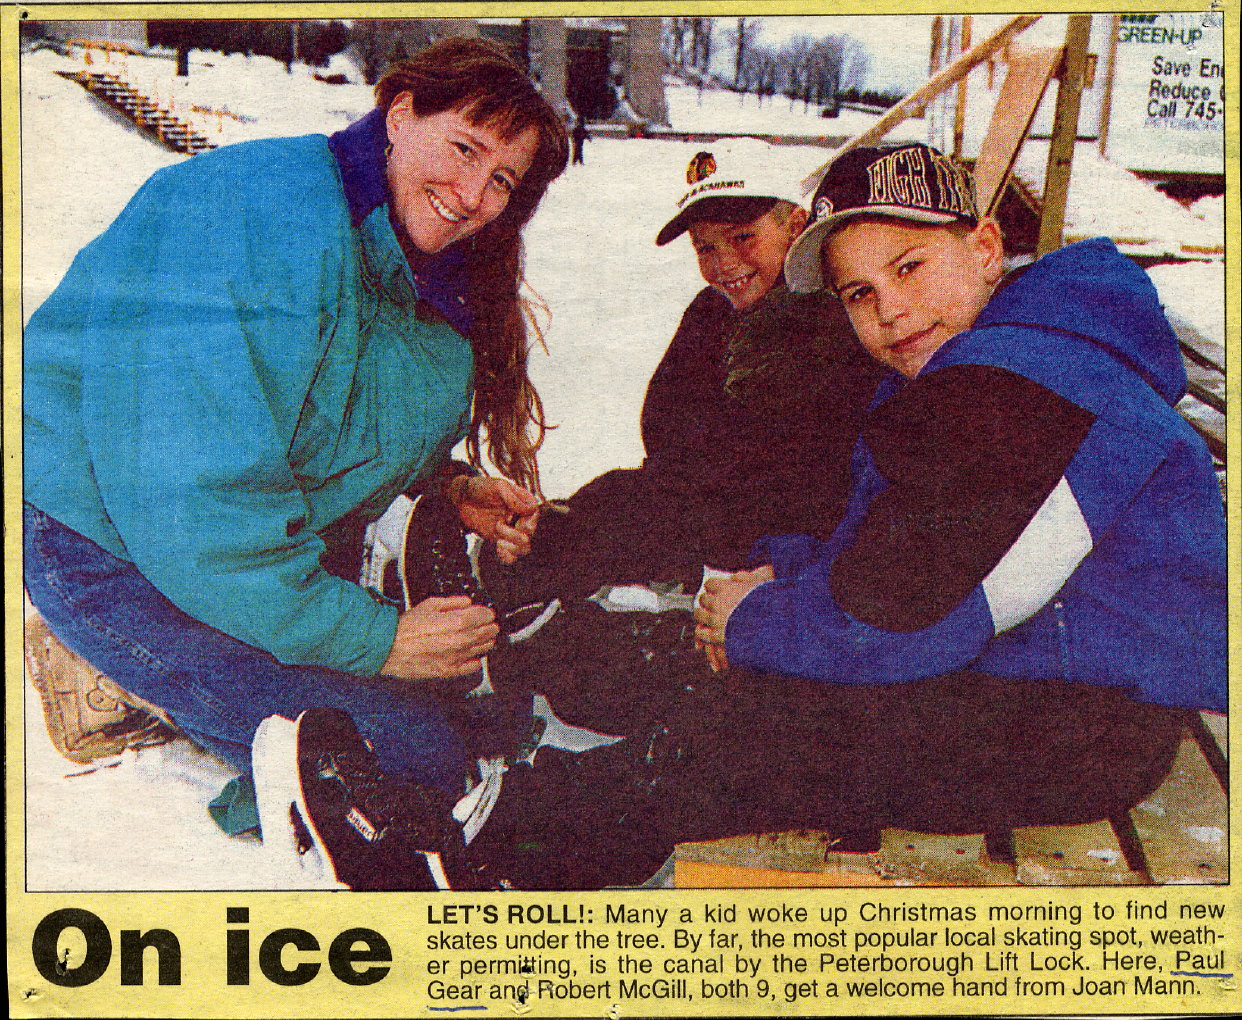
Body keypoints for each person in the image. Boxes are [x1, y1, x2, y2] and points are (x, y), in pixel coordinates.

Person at [22, 38, 572, 888]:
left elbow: (328, 414)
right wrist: (379, 641)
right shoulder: (256, 218)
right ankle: (110, 658)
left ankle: (148, 665)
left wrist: (448, 486)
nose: (472, 197)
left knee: (468, 713)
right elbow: (193, 505)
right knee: (408, 755)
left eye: (502, 180)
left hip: (231, 552)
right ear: (398, 115)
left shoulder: (415, 257)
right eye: (464, 148)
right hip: (110, 544)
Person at [690, 142, 1225, 838]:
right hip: (1053, 674)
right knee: (762, 702)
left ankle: (564, 811)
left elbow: (915, 611)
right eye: (859, 293)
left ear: (984, 248)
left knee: (759, 730)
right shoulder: (995, 358)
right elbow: (919, 551)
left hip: (1094, 725)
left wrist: (754, 620)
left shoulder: (1024, 380)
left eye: (909, 267)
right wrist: (788, 572)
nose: (892, 310)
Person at [480, 139, 883, 735]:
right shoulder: (712, 312)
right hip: (699, 510)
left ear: (796, 223)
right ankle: (506, 601)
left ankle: (558, 648)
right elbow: (667, 435)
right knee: (583, 514)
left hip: (775, 547)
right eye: (705, 247)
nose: (724, 264)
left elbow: (781, 479)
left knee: (607, 545)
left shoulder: (830, 319)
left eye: (744, 238)